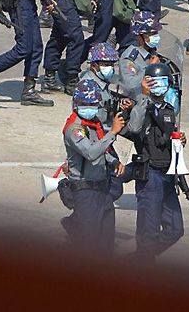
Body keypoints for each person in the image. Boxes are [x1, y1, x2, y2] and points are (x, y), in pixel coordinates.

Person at [124, 62, 185, 262]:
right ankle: (143, 261)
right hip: (150, 176)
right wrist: (142, 96)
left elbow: (165, 137)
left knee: (175, 229)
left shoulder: (168, 109)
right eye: (154, 82)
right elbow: (133, 128)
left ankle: (140, 258)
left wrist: (178, 140)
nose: (159, 85)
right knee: (148, 232)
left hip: (167, 174)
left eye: (162, 81)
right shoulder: (141, 106)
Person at [64, 78, 126, 252]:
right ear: (76, 104)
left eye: (93, 104)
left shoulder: (94, 124)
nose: (91, 108)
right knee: (88, 245)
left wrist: (114, 161)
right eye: (86, 104)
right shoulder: (74, 129)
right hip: (85, 190)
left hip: (102, 188)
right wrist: (113, 132)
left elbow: (102, 152)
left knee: (106, 242)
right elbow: (91, 152)